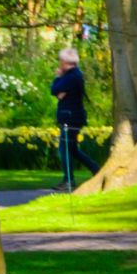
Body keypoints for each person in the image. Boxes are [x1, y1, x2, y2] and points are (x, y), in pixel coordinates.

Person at [49, 47, 96, 191]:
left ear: (64, 62)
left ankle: (69, 181)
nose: (59, 63)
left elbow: (54, 90)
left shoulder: (72, 76)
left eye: (60, 60)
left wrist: (57, 77)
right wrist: (60, 90)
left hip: (70, 117)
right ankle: (97, 170)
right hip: (71, 116)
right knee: (73, 150)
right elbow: (58, 93)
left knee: (64, 149)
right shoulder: (73, 75)